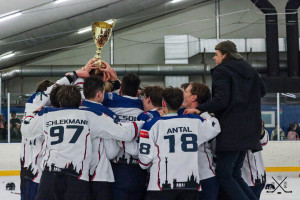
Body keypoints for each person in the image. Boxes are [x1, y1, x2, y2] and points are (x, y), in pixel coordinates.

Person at [21, 85, 142, 200]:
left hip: (49, 178)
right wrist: (144, 122)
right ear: (80, 103)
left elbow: (26, 130)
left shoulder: (46, 115)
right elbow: (125, 133)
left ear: (60, 102)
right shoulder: (90, 115)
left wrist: (31, 115)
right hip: (77, 179)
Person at [194, 40, 267, 200]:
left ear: (225, 54)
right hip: (249, 130)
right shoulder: (251, 70)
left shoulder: (222, 71)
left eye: (216, 54)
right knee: (235, 173)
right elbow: (262, 91)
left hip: (232, 131)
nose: (214, 58)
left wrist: (200, 109)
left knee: (225, 175)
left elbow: (221, 100)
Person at [138, 87, 220, 200]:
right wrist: (202, 113)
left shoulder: (152, 124)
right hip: (191, 187)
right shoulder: (194, 121)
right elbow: (215, 128)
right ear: (181, 103)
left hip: (160, 185)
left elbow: (144, 161)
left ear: (163, 103)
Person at [102, 73, 147, 200]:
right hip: (139, 167)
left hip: (115, 166)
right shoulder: (144, 105)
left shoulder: (108, 101)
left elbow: (91, 97)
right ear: (138, 91)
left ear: (121, 89)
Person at [181, 82, 220, 200]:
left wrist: (202, 113)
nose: (183, 94)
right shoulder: (180, 115)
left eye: (186, 91)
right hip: (185, 179)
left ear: (194, 97)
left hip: (205, 177)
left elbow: (215, 144)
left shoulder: (207, 118)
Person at [241, 121, 269, 200]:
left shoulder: (256, 127)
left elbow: (265, 141)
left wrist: (259, 127)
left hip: (259, 179)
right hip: (246, 179)